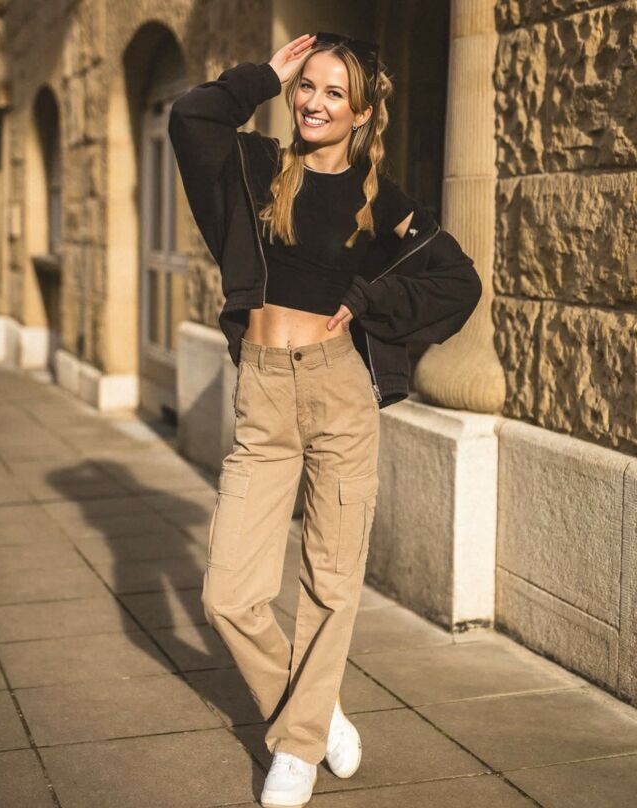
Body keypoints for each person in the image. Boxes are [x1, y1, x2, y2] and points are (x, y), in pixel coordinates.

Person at [169, 32, 482, 808]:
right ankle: (312, 713)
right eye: (306, 86)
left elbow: (459, 280)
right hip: (265, 395)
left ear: (363, 112)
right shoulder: (257, 168)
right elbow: (190, 118)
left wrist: (372, 299)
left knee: (331, 581)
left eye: (334, 92)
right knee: (227, 595)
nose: (313, 102)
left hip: (341, 391)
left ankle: (296, 747)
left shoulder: (385, 202)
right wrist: (263, 76)